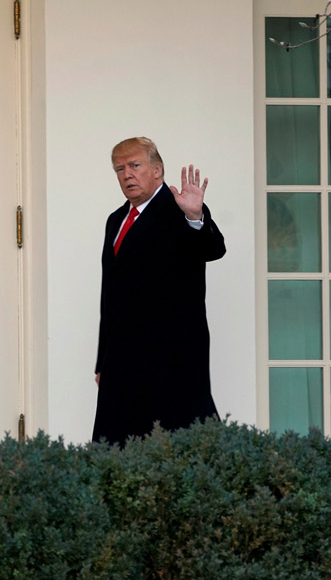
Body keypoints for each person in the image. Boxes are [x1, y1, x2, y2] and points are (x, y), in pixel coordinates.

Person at [92, 137, 226, 445]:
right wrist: (103, 361)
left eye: (135, 166)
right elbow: (109, 297)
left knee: (181, 448)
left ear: (157, 170)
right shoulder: (116, 220)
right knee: (117, 452)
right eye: (120, 168)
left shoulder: (181, 209)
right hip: (121, 361)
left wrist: (195, 216)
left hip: (172, 359)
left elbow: (214, 248)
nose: (127, 174)